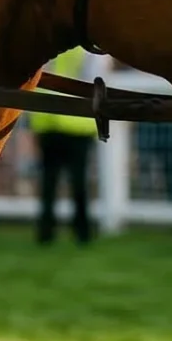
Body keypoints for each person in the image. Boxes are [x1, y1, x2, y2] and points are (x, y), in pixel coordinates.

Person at [27, 49, 100, 245]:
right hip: (77, 124)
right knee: (78, 183)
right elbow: (95, 80)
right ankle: (82, 232)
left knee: (49, 182)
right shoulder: (88, 50)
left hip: (48, 121)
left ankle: (46, 232)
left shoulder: (47, 44)